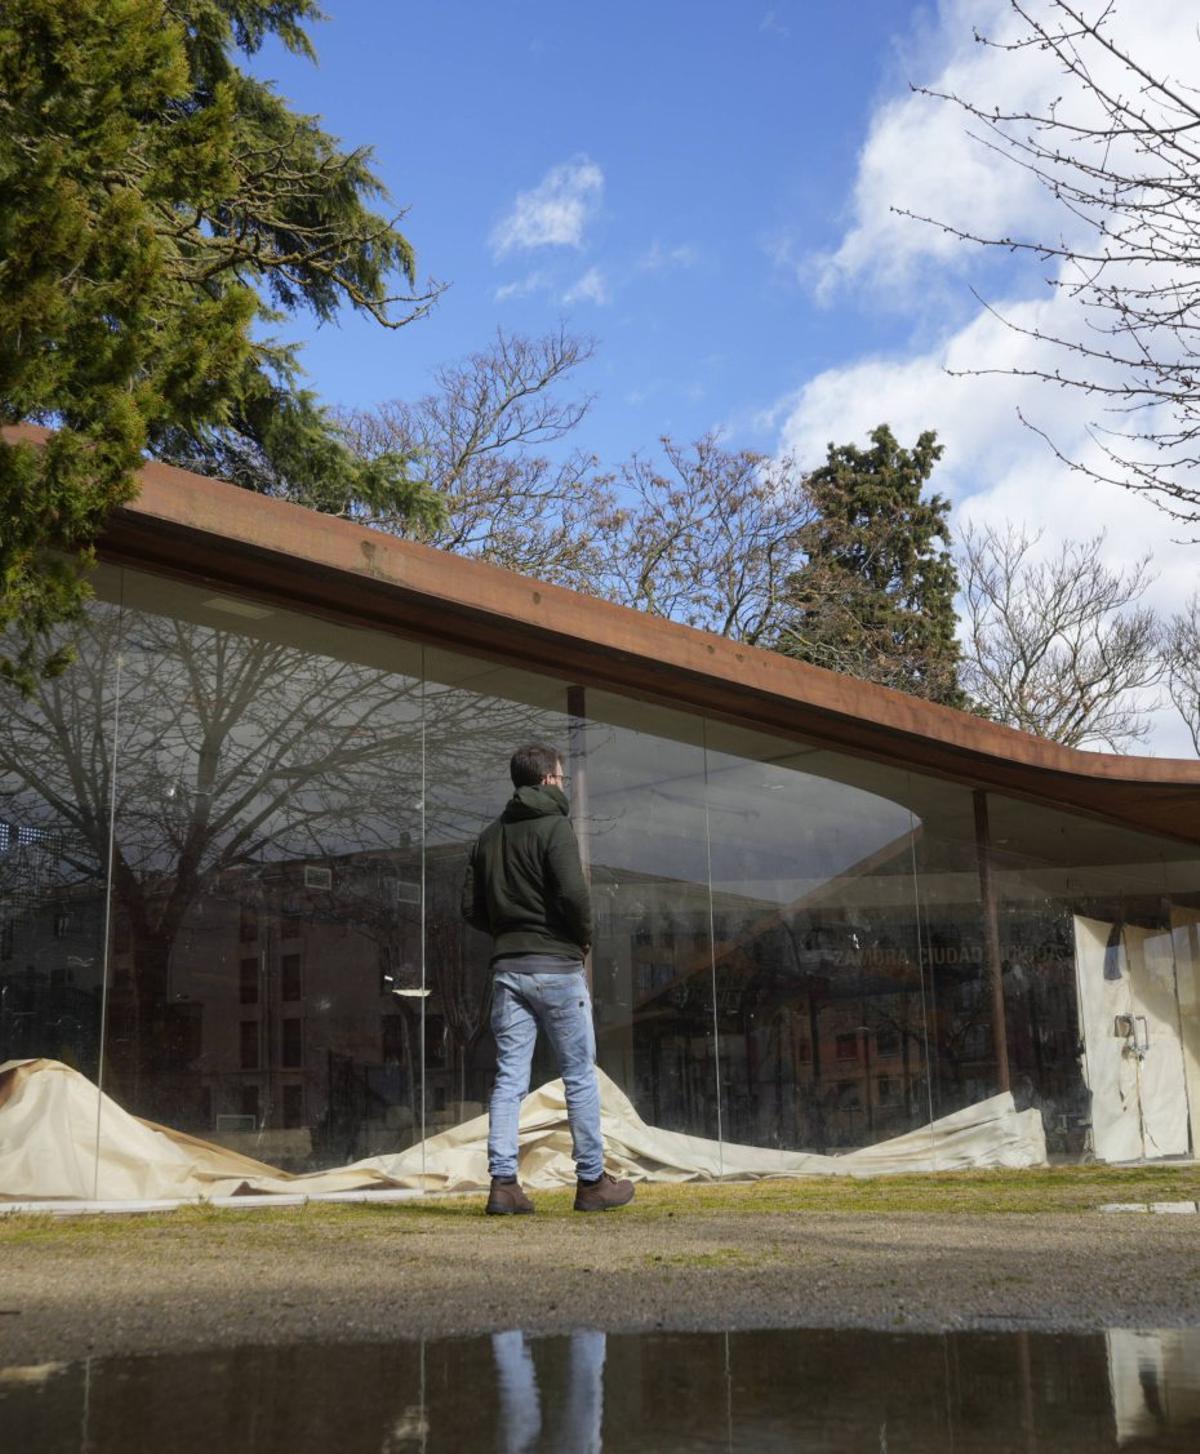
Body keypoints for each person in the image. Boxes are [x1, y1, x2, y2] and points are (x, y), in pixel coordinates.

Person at [462, 741, 634, 1215]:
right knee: (578, 1075)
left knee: (509, 1079)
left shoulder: (488, 837)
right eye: (560, 777)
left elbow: (470, 908)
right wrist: (582, 939)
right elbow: (575, 896)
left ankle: (503, 1185)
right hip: (557, 967)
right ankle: (592, 1183)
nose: (563, 783)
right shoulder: (556, 828)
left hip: (507, 972)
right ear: (548, 780)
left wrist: (508, 933)